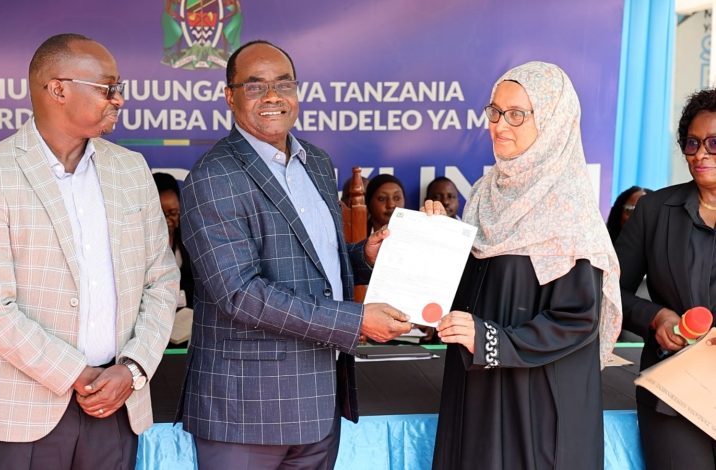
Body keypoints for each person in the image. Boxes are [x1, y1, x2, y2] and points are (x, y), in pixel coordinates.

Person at [178, 40, 413, 470]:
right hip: (246, 411)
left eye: (284, 84)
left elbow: (308, 263)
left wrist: (363, 256)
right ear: (230, 97)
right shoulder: (213, 177)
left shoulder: (316, 162)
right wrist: (355, 320)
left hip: (318, 399)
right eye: (255, 86)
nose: (273, 96)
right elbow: (240, 294)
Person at [0, 33, 179, 469]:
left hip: (116, 405)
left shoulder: (131, 170)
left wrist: (132, 370)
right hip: (21, 410)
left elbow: (162, 279)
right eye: (107, 88)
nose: (119, 99)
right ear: (58, 89)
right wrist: (76, 373)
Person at [432, 61, 621, 470]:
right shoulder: (484, 194)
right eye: (495, 111)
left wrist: (490, 340)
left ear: (553, 120)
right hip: (480, 387)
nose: (500, 125)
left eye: (517, 114)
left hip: (538, 405)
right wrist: (439, 241)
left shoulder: (568, 211)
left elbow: (577, 319)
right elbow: (478, 288)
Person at [615, 88, 716, 468]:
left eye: (714, 143)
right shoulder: (655, 209)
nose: (700, 154)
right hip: (674, 392)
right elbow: (608, 290)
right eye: (692, 143)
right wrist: (656, 317)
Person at [153, 172, 194, 310]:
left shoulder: (188, 237)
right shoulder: (140, 243)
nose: (167, 221)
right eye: (161, 214)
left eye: (173, 213)